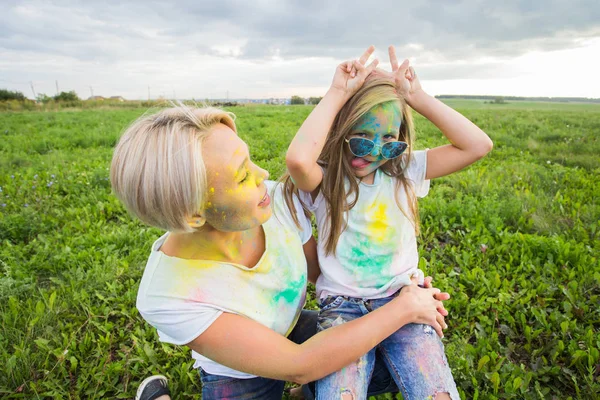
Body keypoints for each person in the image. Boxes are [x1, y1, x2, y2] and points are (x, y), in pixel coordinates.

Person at [110, 103, 451, 400]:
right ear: (193, 214)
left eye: (251, 160)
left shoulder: (277, 202)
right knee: (363, 342)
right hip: (239, 372)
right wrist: (404, 309)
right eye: (243, 177)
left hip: (292, 330)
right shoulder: (168, 294)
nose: (263, 175)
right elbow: (298, 365)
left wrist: (392, 288)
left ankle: (316, 389)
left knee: (398, 352)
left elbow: (319, 269)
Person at [284, 45, 493, 400]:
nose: (375, 151)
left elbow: (477, 145)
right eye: (362, 137)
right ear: (340, 128)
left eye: (389, 141)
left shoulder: (405, 171)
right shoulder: (328, 179)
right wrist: (338, 93)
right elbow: (298, 162)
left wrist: (418, 97)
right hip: (342, 308)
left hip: (405, 296)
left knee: (437, 392)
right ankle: (311, 390)